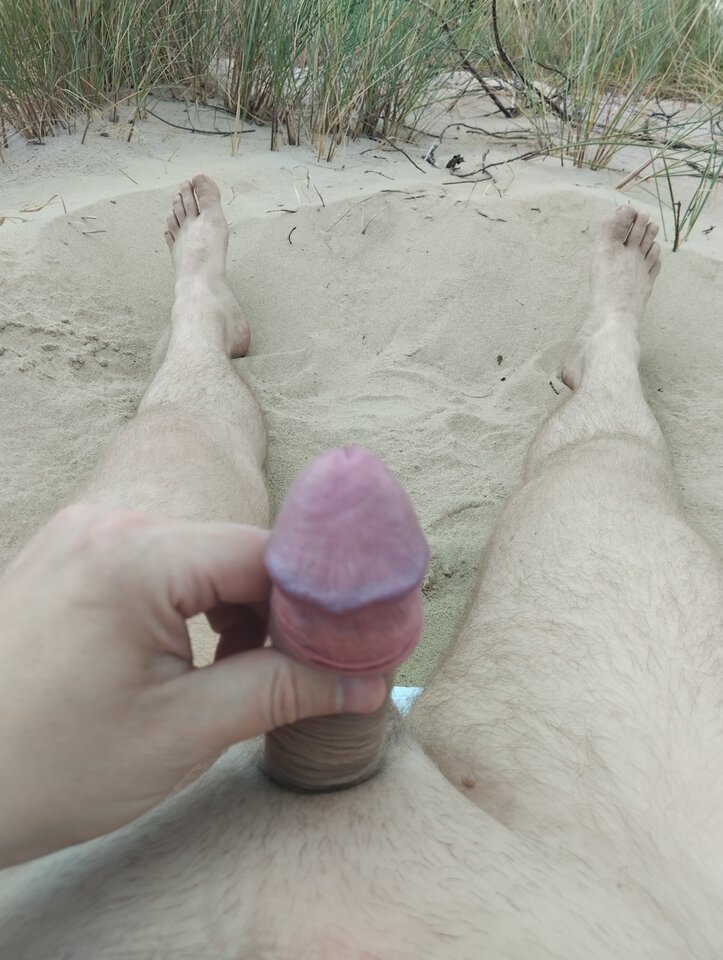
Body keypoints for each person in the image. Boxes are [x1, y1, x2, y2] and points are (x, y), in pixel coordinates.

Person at [0, 175, 720, 958]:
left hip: (76, 861)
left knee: (176, 444)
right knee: (602, 477)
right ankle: (607, 354)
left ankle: (198, 329)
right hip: (631, 905)